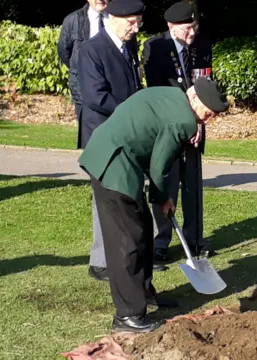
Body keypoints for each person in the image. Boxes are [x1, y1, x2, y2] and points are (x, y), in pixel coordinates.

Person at [78, 77, 229, 332]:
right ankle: (128, 316)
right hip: (113, 165)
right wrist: (161, 198)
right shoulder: (184, 120)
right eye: (209, 113)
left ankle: (145, 293)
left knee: (144, 230)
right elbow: (160, 166)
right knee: (128, 242)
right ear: (195, 99)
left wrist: (161, 198)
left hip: (114, 154)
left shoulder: (172, 96)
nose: (209, 120)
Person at [142, 1, 215, 267]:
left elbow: (205, 85)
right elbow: (161, 91)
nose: (192, 34)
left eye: (194, 27)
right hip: (168, 128)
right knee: (166, 184)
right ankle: (161, 243)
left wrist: (197, 123)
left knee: (193, 187)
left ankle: (194, 239)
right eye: (187, 29)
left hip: (195, 128)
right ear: (171, 27)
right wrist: (185, 119)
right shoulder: (155, 47)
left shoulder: (202, 45)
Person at [77, 0, 144, 282]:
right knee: (104, 199)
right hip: (103, 135)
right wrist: (130, 114)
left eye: (139, 21)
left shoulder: (129, 47)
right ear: (114, 18)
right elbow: (95, 97)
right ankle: (101, 262)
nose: (136, 27)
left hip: (125, 134)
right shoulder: (92, 50)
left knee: (127, 195)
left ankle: (129, 256)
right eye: (131, 22)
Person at [57, 0, 109, 149]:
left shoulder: (117, 19)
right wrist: (82, 70)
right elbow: (64, 50)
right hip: (83, 88)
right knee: (90, 141)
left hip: (112, 89)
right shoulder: (73, 20)